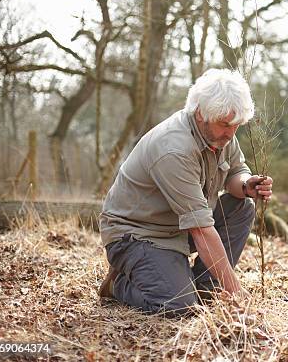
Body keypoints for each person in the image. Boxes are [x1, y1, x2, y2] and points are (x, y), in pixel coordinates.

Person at [97, 68, 273, 317]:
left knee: (242, 206)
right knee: (179, 307)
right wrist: (237, 292)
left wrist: (246, 185)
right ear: (201, 113)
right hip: (138, 235)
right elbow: (200, 229)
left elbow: (235, 171)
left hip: (178, 228)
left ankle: (206, 288)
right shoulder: (174, 149)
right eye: (225, 125)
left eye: (236, 126)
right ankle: (118, 285)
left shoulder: (221, 133)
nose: (231, 133)